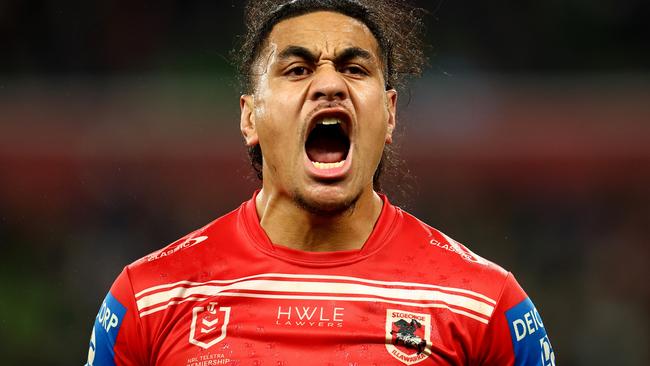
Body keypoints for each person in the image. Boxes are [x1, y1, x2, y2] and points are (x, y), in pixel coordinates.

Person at [85, 1, 555, 365]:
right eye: (297, 70)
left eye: (354, 68)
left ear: (389, 114)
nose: (329, 85)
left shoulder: (485, 305)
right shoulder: (149, 300)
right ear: (251, 117)